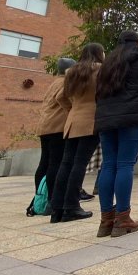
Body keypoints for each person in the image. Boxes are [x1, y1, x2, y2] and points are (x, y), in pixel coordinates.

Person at [94, 30, 138, 237]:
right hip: (132, 116)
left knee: (108, 164)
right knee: (125, 164)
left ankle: (106, 220)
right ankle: (123, 219)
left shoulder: (107, 65)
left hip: (105, 118)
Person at [50, 43, 104, 223]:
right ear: (98, 54)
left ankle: (56, 208)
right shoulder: (100, 70)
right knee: (79, 164)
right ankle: (72, 207)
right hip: (90, 121)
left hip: (72, 122)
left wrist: (72, 110)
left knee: (66, 164)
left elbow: (60, 97)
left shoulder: (71, 72)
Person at [33, 57, 76, 214]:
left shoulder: (53, 83)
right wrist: (71, 109)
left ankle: (39, 197)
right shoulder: (65, 82)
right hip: (57, 126)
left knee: (44, 163)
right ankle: (52, 200)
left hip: (44, 127)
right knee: (55, 164)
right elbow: (62, 98)